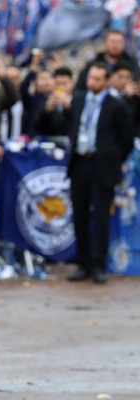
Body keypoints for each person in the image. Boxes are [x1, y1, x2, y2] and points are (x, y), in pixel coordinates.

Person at [66, 62, 134, 284]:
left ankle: (98, 265)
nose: (92, 82)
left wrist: (114, 161)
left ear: (106, 81)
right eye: (90, 78)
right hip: (79, 164)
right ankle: (83, 264)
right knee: (79, 215)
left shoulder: (117, 105)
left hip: (102, 167)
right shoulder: (77, 100)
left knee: (102, 217)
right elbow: (71, 126)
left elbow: (127, 139)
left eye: (97, 79)